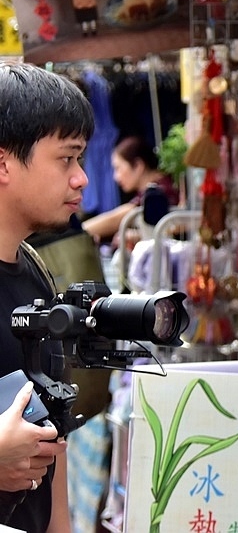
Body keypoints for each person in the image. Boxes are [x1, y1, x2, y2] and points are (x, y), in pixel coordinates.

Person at [0, 63, 93, 530]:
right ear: (3, 164)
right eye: (66, 159)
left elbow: (53, 432)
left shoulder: (35, 269)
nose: (82, 179)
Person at [81, 134, 179, 245]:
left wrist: (77, 231)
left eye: (118, 168)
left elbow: (119, 217)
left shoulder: (159, 190)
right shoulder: (157, 186)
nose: (116, 177)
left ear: (138, 165)